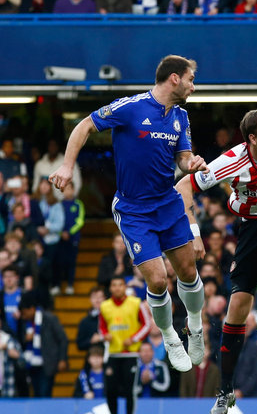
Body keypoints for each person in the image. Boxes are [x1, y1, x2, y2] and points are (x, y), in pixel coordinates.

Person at [50, 55, 208, 373]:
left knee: (188, 271)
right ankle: (169, 337)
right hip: (134, 210)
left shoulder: (181, 116)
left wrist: (190, 163)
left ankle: (195, 326)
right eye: (191, 79)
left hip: (168, 204)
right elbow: (85, 125)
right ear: (174, 78)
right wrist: (67, 166)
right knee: (158, 280)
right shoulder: (130, 107)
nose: (193, 87)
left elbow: (182, 157)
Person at [174, 110, 257, 411]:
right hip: (252, 226)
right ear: (252, 139)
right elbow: (183, 186)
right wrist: (194, 232)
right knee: (237, 306)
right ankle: (225, 391)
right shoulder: (232, 160)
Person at [99, 276, 152, 414]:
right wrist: (105, 335)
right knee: (111, 391)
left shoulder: (136, 303)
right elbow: (101, 327)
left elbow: (147, 324)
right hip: (113, 353)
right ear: (110, 288)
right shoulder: (104, 306)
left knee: (130, 391)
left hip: (131, 354)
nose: (117, 288)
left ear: (125, 287)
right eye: (114, 285)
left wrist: (134, 339)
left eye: (120, 285)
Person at [18, 290, 68, 397]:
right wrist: (26, 339)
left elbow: (63, 339)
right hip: (31, 365)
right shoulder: (24, 322)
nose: (23, 315)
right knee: (36, 394)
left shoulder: (50, 318)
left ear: (32, 309)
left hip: (47, 364)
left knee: (44, 394)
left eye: (24, 312)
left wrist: (62, 359)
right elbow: (20, 340)